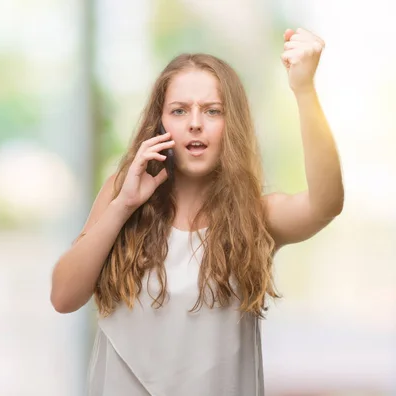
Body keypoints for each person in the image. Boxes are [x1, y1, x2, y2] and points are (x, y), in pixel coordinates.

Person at [50, 28, 343, 395]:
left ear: (230, 124)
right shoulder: (122, 195)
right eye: (179, 110)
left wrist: (304, 90)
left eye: (212, 111)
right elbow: (64, 296)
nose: (194, 122)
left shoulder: (257, 216)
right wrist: (123, 205)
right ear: (160, 124)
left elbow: (326, 203)